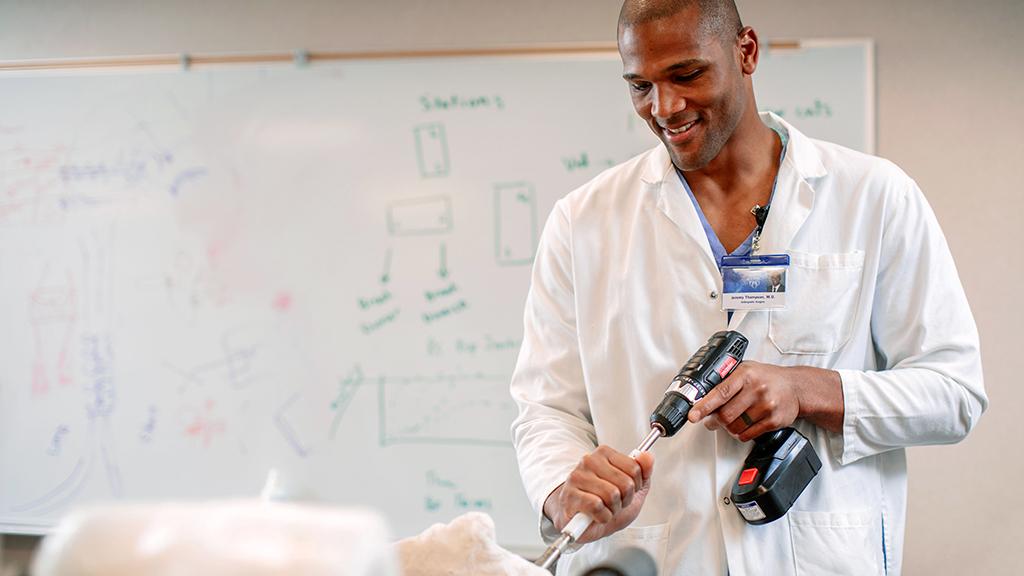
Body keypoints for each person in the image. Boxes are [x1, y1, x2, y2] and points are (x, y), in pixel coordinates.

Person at [509, 0, 987, 574]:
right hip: (663, 556)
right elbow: (545, 409)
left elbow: (954, 394)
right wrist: (564, 490)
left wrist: (808, 390)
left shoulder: (873, 196)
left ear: (747, 52)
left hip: (822, 555)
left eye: (687, 74)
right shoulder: (582, 221)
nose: (664, 107)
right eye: (640, 86)